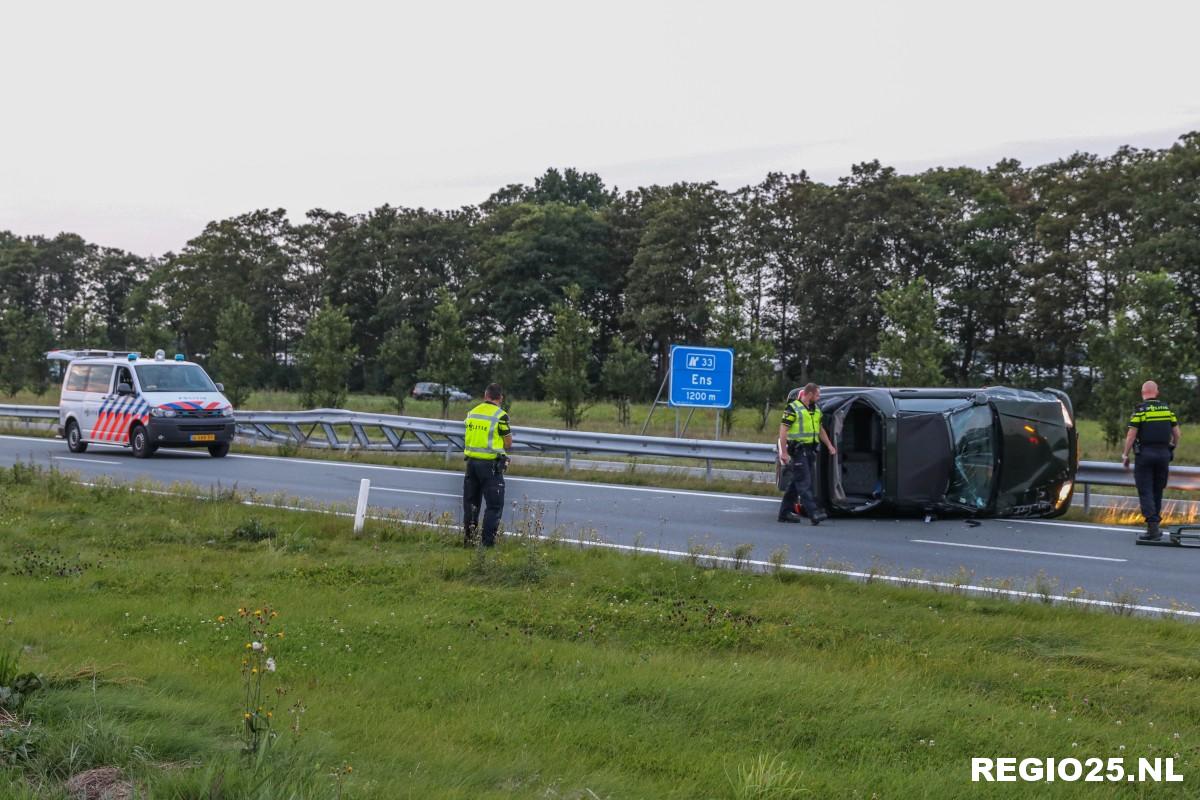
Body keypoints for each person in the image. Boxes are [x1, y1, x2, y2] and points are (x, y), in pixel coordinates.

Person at [1121, 380, 1181, 541]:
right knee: (1157, 489)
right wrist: (1171, 448)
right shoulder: (1167, 410)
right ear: (1157, 392)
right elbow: (1177, 434)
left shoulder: (1140, 411)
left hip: (1145, 455)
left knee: (1145, 490)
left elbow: (1131, 435)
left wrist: (1125, 454)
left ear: (1143, 393)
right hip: (1163, 455)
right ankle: (1155, 526)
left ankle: (1152, 528)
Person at [777, 382, 837, 525]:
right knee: (805, 482)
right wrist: (784, 452)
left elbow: (820, 429)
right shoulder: (793, 408)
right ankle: (813, 513)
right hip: (798, 450)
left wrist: (829, 445)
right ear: (809, 394)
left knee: (795, 483)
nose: (819, 397)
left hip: (810, 450)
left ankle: (784, 513)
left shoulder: (816, 410)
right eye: (817, 395)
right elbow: (783, 430)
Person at [462, 383, 513, 547]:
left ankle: (469, 542)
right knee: (494, 506)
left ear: (485, 396)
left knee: (471, 504)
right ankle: (487, 544)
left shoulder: (472, 413)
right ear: (501, 398)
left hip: (471, 464)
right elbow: (508, 442)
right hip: (490, 466)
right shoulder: (500, 415)